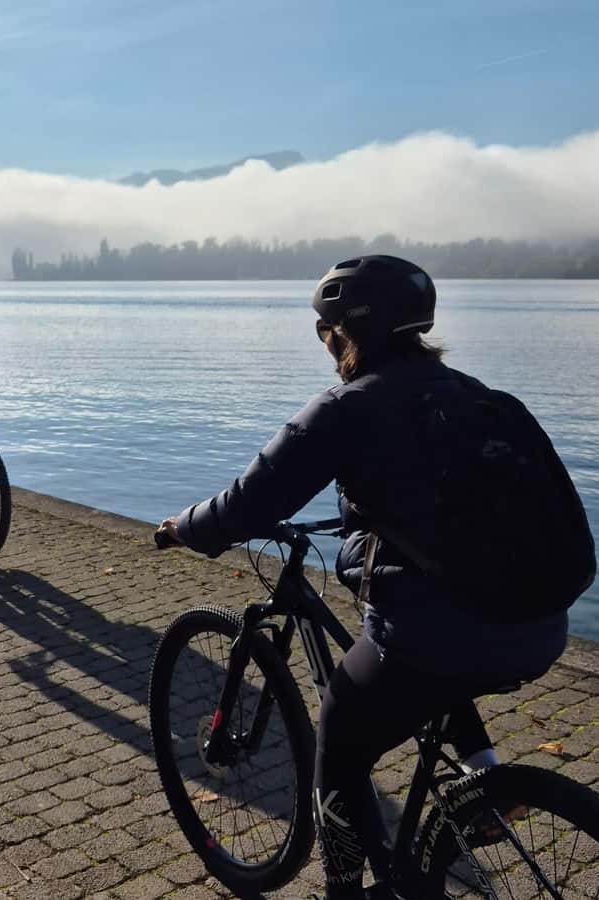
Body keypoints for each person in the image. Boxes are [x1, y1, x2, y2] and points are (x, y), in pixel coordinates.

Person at [156, 255, 570, 900]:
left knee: (344, 736)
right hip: (542, 623)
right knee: (428, 648)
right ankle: (487, 777)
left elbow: (247, 506)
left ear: (342, 332)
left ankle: (344, 888)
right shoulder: (486, 400)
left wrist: (184, 527)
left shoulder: (347, 407)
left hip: (445, 633)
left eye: (325, 329)